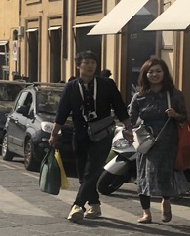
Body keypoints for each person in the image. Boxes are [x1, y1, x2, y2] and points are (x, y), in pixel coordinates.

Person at [49, 50, 132, 223]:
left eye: (93, 63)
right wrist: (54, 134)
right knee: (82, 173)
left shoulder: (106, 84)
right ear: (78, 65)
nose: (90, 66)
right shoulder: (71, 87)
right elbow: (62, 112)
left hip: (102, 134)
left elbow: (119, 106)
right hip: (80, 133)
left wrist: (128, 127)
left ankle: (77, 205)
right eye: (86, 62)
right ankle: (94, 204)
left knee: (92, 169)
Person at [128, 58, 190, 223]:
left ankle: (166, 201)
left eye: (158, 71)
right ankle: (146, 213)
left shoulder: (174, 94)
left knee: (164, 173)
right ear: (145, 74)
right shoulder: (139, 96)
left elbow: (184, 117)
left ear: (164, 73)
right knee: (143, 174)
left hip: (168, 139)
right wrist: (128, 132)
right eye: (151, 72)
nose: (154, 74)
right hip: (146, 140)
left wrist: (175, 115)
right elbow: (131, 119)